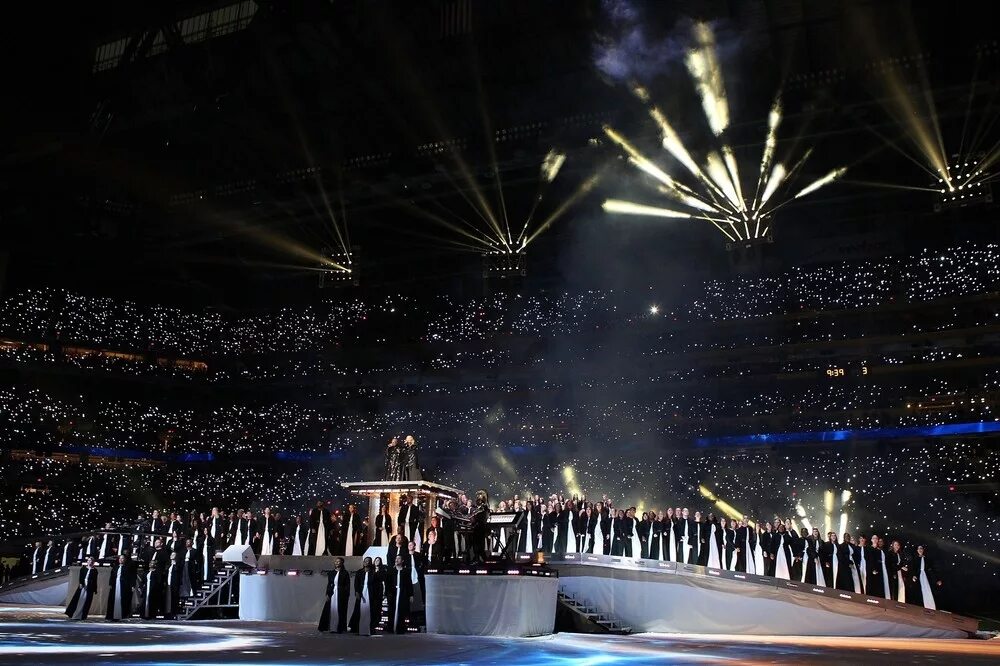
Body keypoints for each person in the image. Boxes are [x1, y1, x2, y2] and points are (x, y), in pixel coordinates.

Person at [318, 557, 351, 633]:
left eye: (338, 561)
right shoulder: (331, 573)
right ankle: (331, 628)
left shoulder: (345, 573)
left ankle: (339, 628)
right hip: (332, 593)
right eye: (335, 561)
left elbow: (347, 586)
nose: (336, 563)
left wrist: (346, 595)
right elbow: (329, 584)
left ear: (342, 563)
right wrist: (327, 594)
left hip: (341, 593)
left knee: (339, 610)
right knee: (331, 610)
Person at [908, 545, 942, 610]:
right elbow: (912, 569)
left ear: (923, 550)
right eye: (918, 549)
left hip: (927, 577)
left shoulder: (928, 559)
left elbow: (932, 570)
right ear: (917, 550)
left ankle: (931, 607)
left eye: (921, 548)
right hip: (918, 577)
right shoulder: (914, 559)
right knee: (919, 592)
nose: (920, 550)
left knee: (929, 590)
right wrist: (914, 575)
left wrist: (937, 579)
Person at [350, 557, 377, 635]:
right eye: (365, 561)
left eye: (368, 561)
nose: (366, 562)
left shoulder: (373, 573)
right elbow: (356, 583)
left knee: (370, 611)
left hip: (370, 592)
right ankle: (358, 629)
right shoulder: (359, 572)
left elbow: (376, 585)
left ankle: (370, 629)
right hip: (361, 592)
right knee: (359, 610)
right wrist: (357, 592)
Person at [386, 555, 413, 634]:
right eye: (396, 558)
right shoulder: (391, 570)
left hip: (402, 593)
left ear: (402, 561)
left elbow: (409, 584)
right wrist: (387, 593)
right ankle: (391, 628)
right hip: (393, 593)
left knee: (401, 611)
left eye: (398, 558)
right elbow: (387, 583)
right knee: (391, 610)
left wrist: (411, 595)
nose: (396, 560)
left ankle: (400, 628)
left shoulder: (406, 571)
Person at [164, 552, 182, 620]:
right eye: (171, 554)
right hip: (168, 582)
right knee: (167, 598)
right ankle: (167, 612)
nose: (172, 556)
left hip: (174, 583)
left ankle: (173, 612)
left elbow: (178, 573)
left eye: (174, 554)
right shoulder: (168, 564)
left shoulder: (178, 565)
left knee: (174, 597)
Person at [371, 556, 387, 630]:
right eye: (376, 560)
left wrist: (384, 593)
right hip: (371, 590)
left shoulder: (383, 570)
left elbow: (384, 581)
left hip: (379, 590)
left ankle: (376, 623)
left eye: (378, 560)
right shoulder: (371, 570)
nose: (377, 561)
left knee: (377, 607)